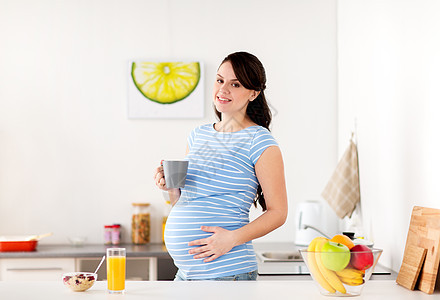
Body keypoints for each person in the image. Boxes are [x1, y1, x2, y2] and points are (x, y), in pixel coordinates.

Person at [154, 51, 288, 281]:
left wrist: (232, 239)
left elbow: (278, 213)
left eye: (235, 84)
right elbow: (186, 200)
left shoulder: (260, 141)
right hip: (186, 275)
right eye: (220, 80)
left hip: (227, 273)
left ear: (253, 93)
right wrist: (171, 189)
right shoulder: (198, 135)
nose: (223, 90)